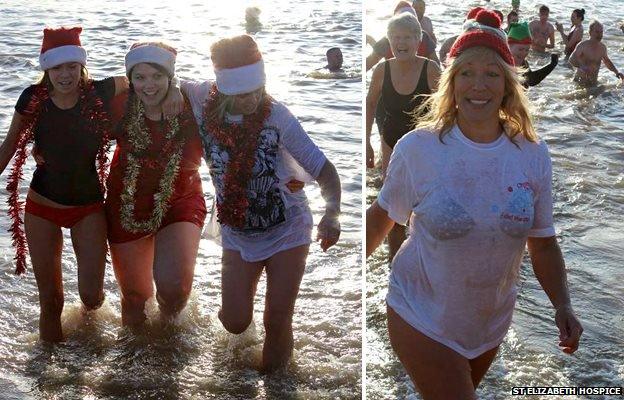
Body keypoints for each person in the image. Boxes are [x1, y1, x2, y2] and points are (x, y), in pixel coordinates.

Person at [366, 9, 582, 399]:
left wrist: (563, 305)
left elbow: (544, 241)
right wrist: (348, 287)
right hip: (418, 312)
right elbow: (382, 218)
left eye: (491, 74)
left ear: (508, 84)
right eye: (466, 73)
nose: (477, 85)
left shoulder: (531, 153)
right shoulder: (419, 148)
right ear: (451, 82)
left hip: (488, 324)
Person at [180, 35, 341, 372]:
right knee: (235, 321)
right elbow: (160, 77)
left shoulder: (278, 116)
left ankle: (277, 385)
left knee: (277, 319)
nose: (252, 99)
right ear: (223, 90)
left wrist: (333, 213)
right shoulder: (200, 99)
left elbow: (324, 169)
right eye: (241, 94)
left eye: (257, 89)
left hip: (289, 228)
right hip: (238, 231)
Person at [0, 27, 131, 342]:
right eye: (58, 67)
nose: (65, 74)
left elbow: (138, 78)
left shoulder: (99, 92)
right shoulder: (32, 98)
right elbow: (9, 146)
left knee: (92, 296)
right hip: (42, 206)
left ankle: (87, 339)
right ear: (47, 68)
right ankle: (49, 373)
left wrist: (172, 92)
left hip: (88, 208)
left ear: (81, 66)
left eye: (72, 66)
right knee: (51, 301)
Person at [105, 41, 205, 327]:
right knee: (136, 298)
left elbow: (226, 92)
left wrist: (178, 87)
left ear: (170, 76)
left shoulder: (189, 103)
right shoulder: (120, 105)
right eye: (140, 77)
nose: (149, 85)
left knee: (173, 293)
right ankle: (134, 363)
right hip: (127, 203)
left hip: (180, 200)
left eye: (157, 76)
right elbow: (78, 115)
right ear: (130, 79)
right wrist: (42, 150)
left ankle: (169, 352)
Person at [366, 11, 441, 261]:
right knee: (392, 207)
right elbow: (369, 104)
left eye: (408, 37)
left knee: (424, 205)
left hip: (426, 144)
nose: (401, 43)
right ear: (389, 41)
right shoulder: (381, 70)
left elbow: (448, 109)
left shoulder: (431, 70)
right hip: (391, 143)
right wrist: (366, 143)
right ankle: (394, 261)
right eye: (396, 37)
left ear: (418, 40)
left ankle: (424, 255)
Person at [366, 1, 439, 72]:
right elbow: (368, 63)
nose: (402, 41)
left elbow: (436, 64)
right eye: (397, 37)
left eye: (407, 37)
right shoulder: (387, 39)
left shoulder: (424, 37)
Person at [569, 20, 624, 85]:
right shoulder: (583, 45)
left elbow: (607, 61)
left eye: (601, 32)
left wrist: (616, 72)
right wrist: (583, 67)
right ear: (590, 32)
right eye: (597, 32)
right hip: (580, 82)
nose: (600, 35)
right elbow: (571, 59)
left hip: (593, 81)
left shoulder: (602, 47)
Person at [508, 21, 559, 87]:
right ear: (509, 46)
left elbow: (531, 80)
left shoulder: (523, 62)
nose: (524, 53)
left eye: (527, 50)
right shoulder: (501, 63)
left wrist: (551, 65)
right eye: (520, 49)